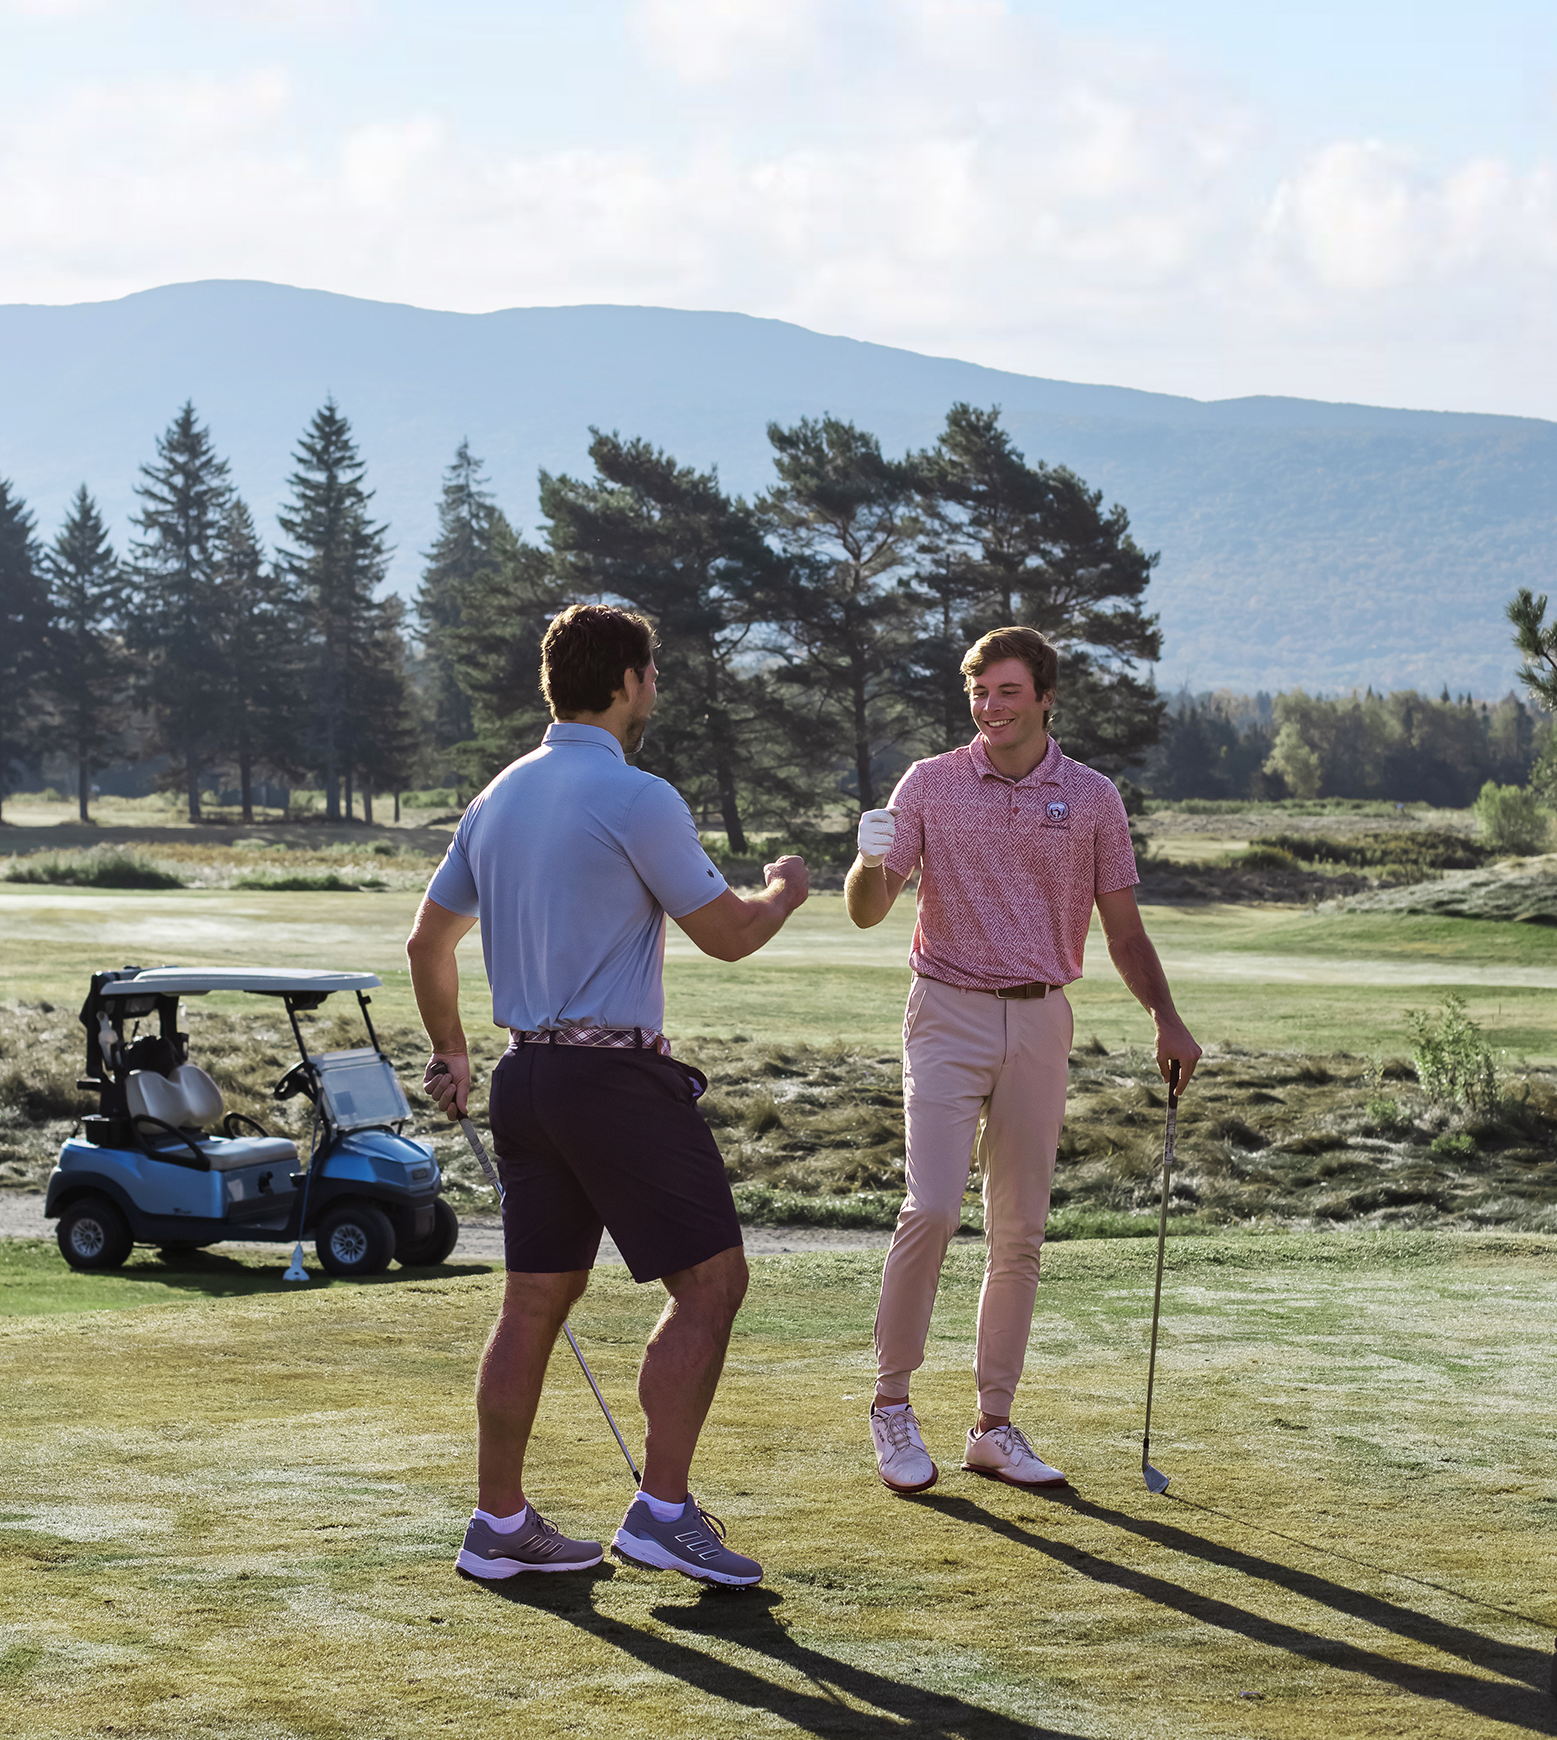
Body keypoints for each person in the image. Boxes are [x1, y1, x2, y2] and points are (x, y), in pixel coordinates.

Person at [407, 602, 810, 1586]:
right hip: (612, 1076)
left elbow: (427, 943)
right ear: (627, 683)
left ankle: (497, 1522)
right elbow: (725, 933)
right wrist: (786, 893)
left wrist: (452, 1051)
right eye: (653, 674)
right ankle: (661, 1513)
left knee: (533, 1301)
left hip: (524, 1077)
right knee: (711, 1283)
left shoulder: (497, 795)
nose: (656, 689)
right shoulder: (637, 797)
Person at [845, 625, 1200, 1496]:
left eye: (1006, 691)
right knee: (929, 1208)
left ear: (1044, 697)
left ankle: (991, 1427)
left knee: (1019, 1235)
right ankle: (891, 1407)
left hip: (1040, 1022)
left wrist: (1166, 1019)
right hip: (945, 1014)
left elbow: (1122, 930)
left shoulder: (1090, 798)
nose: (989, 707)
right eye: (977, 692)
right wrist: (865, 855)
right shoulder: (928, 783)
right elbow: (866, 911)